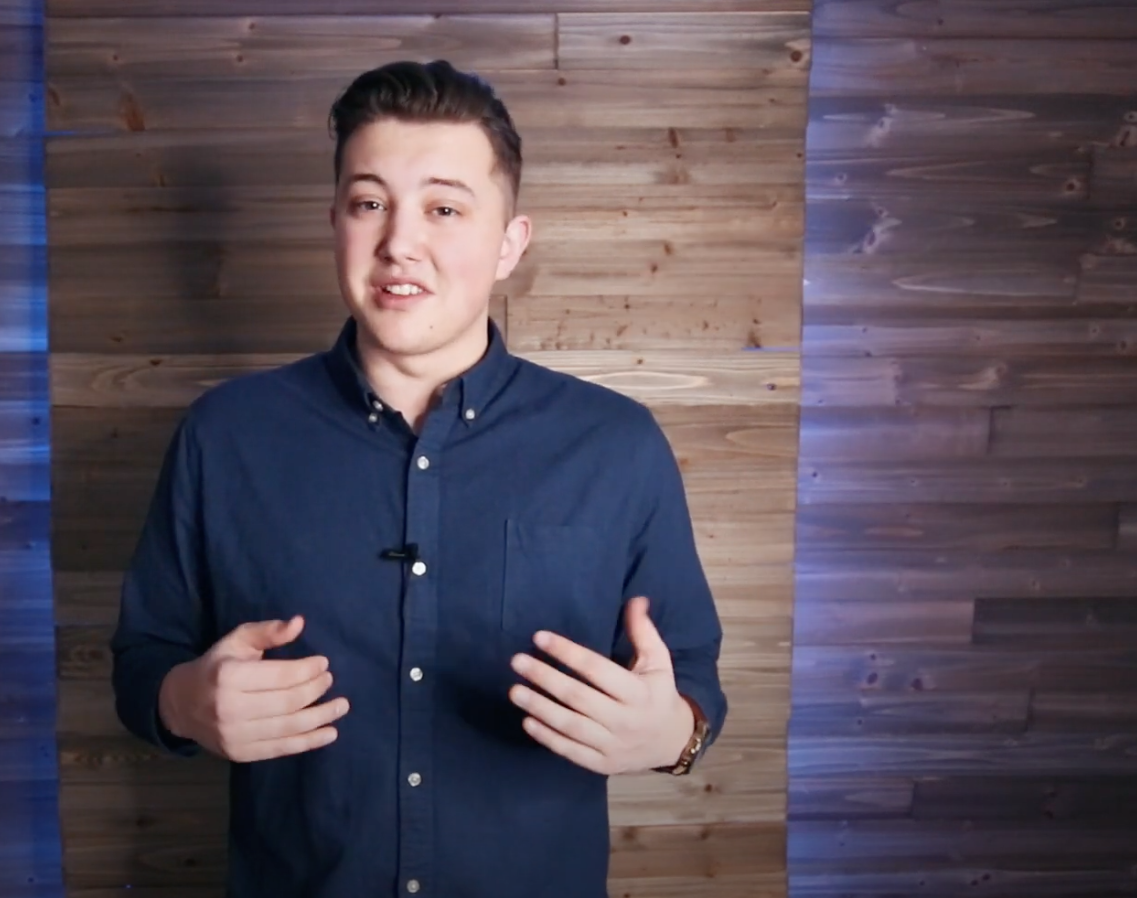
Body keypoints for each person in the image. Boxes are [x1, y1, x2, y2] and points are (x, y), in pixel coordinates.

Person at [111, 59, 726, 898]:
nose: (399, 242)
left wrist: (671, 736)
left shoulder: (616, 445)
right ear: (335, 222)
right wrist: (185, 702)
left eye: (444, 209)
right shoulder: (224, 436)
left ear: (509, 243)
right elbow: (143, 659)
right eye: (370, 204)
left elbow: (690, 679)